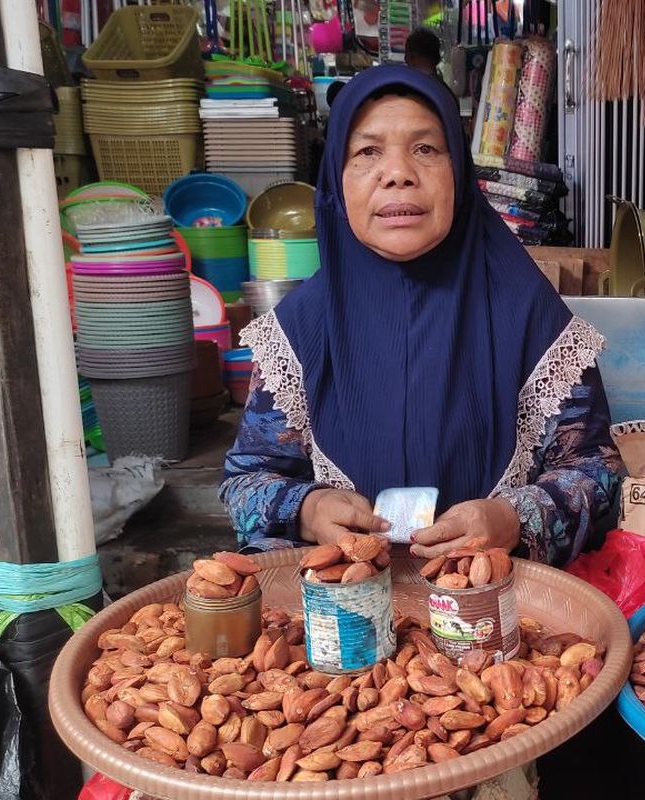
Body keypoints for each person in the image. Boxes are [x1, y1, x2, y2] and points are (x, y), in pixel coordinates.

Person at [220, 65, 621, 568]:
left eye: (426, 149)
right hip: (342, 614)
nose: (397, 172)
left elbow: (596, 474)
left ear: (459, 173)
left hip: (498, 609)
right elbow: (245, 480)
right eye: (367, 152)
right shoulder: (298, 332)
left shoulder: (531, 316)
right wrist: (310, 508)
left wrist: (512, 518)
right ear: (336, 182)